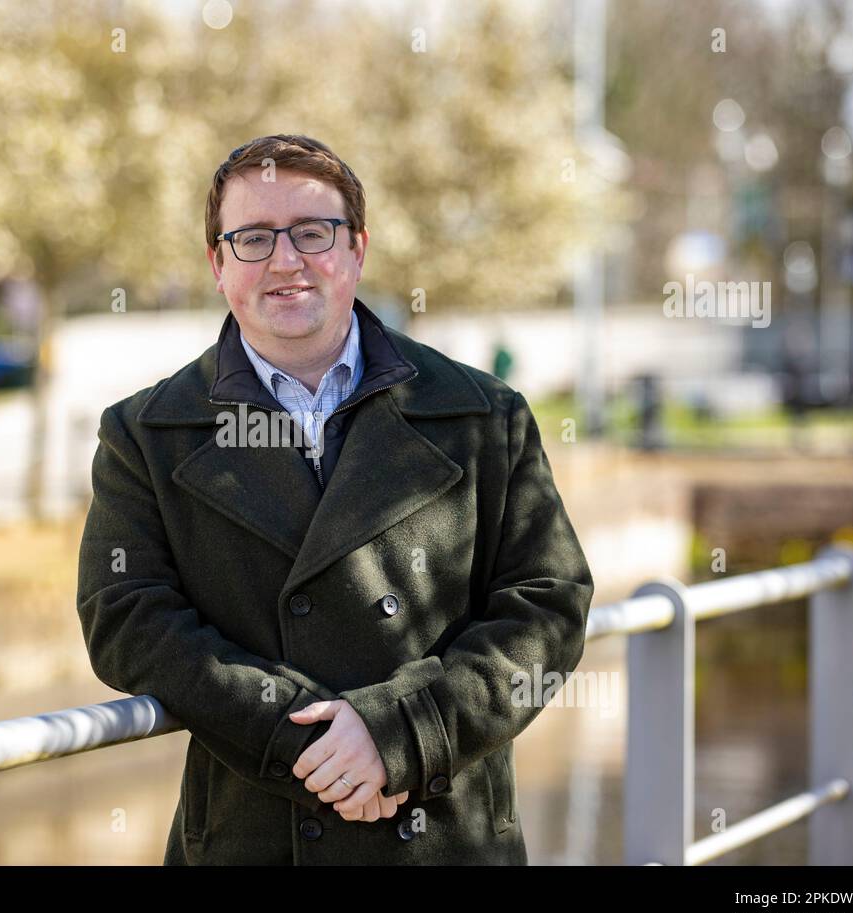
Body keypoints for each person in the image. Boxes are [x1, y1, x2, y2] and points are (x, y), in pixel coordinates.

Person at [76, 134, 594, 864]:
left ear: (356, 250)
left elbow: (549, 602)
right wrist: (308, 740)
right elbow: (126, 618)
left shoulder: (483, 414)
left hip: (447, 837)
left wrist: (403, 734)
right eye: (253, 238)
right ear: (218, 265)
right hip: (253, 838)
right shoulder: (145, 433)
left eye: (312, 233)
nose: (285, 261)